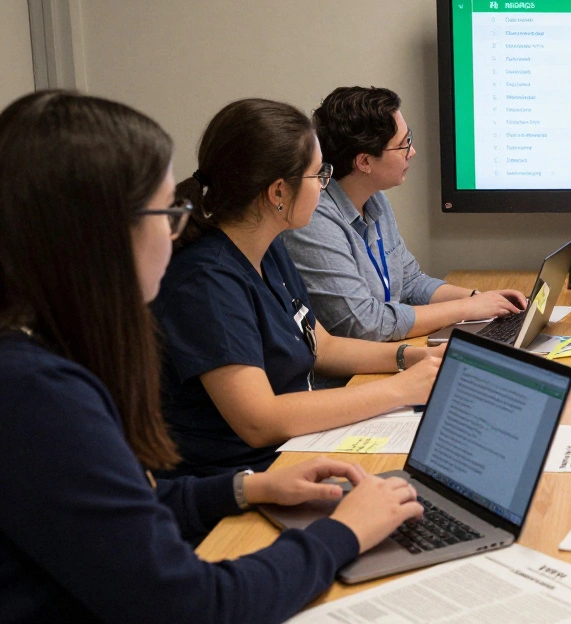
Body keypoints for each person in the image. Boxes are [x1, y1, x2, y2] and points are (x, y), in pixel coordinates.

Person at [0, 91, 424, 623]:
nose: (179, 226)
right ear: (102, 235)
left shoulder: (45, 357)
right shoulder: (38, 396)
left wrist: (246, 489)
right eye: (167, 210)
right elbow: (193, 604)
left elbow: (138, 501)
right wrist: (343, 534)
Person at [152, 98, 442, 477]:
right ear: (278, 193)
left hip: (294, 450)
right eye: (319, 175)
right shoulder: (207, 281)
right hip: (242, 480)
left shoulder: (267, 246)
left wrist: (410, 358)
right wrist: (401, 389)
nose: (325, 188)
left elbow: (322, 346)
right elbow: (259, 420)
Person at [284, 86, 526, 346]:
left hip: (388, 351)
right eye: (403, 145)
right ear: (364, 162)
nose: (412, 152)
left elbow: (410, 283)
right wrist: (469, 309)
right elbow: (365, 324)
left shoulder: (374, 200)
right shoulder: (315, 220)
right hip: (352, 375)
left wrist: (480, 298)